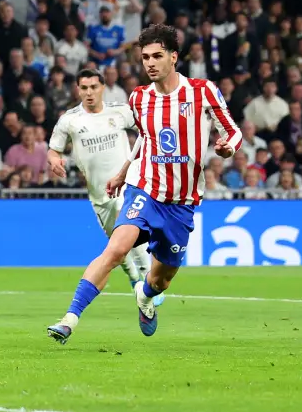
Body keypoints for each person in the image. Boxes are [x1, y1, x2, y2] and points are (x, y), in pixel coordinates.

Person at [48, 25, 240, 343]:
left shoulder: (202, 91)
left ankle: (145, 297)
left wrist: (227, 146)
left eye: (157, 56)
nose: (149, 63)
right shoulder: (139, 98)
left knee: (160, 280)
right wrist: (125, 172)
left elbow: (231, 130)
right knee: (116, 249)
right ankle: (69, 319)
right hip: (145, 190)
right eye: (145, 57)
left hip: (181, 204)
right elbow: (145, 140)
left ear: (174, 57)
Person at [46, 69, 156, 295]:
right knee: (115, 245)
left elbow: (148, 129)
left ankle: (147, 280)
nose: (89, 92)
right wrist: (54, 161)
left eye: (94, 87)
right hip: (98, 194)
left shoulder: (120, 112)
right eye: (84, 88)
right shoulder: (70, 120)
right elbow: (53, 150)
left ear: (103, 87)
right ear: (78, 89)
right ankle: (134, 277)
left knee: (127, 227)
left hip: (127, 186)